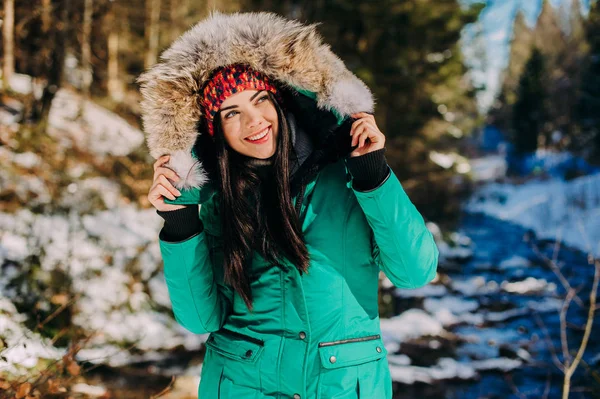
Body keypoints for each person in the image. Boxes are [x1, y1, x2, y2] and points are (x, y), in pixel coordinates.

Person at [138, 11, 439, 399]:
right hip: (245, 385)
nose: (253, 121)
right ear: (215, 131)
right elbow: (200, 318)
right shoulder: (216, 203)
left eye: (259, 99)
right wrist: (178, 220)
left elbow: (415, 271)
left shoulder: (347, 176)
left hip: (342, 386)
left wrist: (372, 173)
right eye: (231, 113)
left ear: (280, 101)